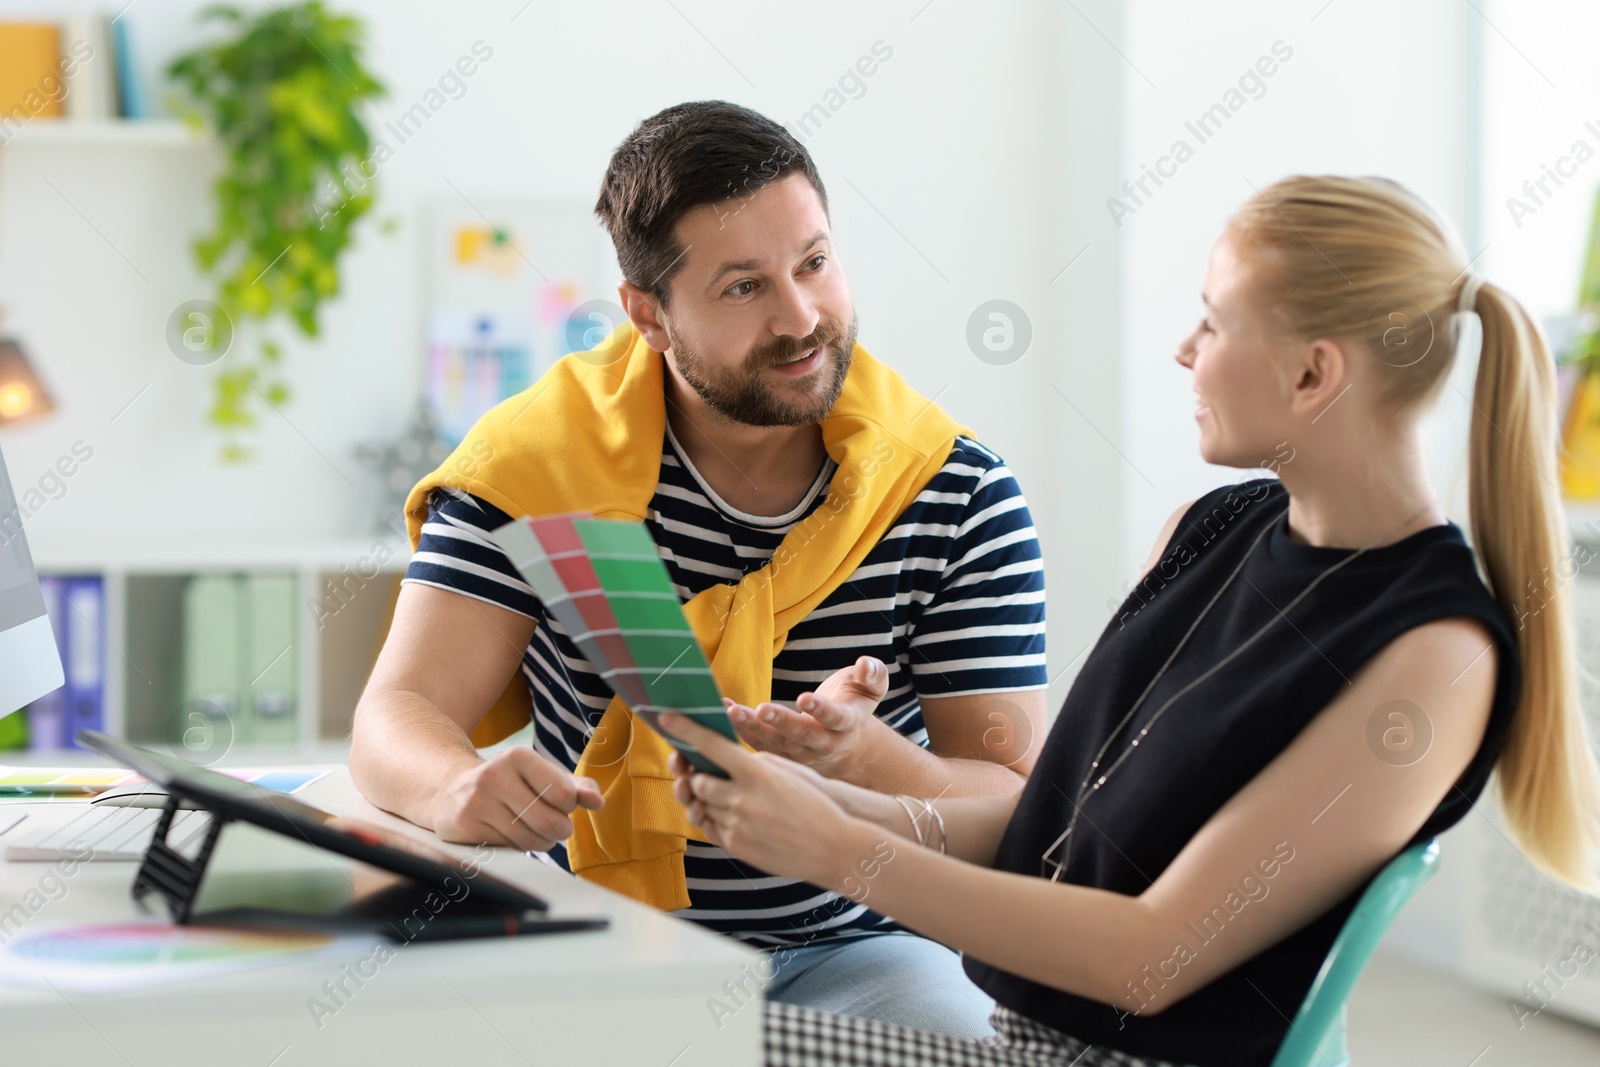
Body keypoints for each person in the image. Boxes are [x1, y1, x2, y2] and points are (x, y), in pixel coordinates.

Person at [662, 175, 1600, 1067]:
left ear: (1314, 373)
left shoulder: (1436, 653)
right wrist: (805, 801)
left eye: (1213, 319)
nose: (1184, 349)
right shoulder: (1209, 531)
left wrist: (832, 847)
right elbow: (1059, 837)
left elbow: (1147, 957)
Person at [348, 100, 1048, 1039]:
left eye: (815, 262)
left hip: (864, 941)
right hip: (600, 941)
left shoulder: (952, 491)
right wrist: (449, 786)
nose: (801, 318)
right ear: (648, 314)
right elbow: (395, 715)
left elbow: (1011, 799)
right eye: (742, 288)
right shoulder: (537, 470)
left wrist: (870, 761)